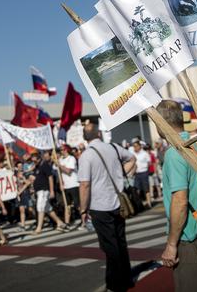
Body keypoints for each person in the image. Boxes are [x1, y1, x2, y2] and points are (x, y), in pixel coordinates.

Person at [156, 100, 197, 291]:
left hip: (189, 235)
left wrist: (171, 244)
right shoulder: (193, 146)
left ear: (160, 124)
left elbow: (180, 201)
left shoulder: (174, 153)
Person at [78, 122, 136, 292]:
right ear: (98, 134)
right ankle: (126, 279)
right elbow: (132, 158)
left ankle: (116, 284)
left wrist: (83, 209)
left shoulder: (86, 155)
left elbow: (84, 185)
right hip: (118, 201)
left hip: (99, 205)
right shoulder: (113, 147)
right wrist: (122, 173)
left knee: (110, 246)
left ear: (84, 137)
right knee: (120, 241)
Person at [30, 152, 67, 233]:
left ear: (39, 158)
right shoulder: (37, 167)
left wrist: (52, 191)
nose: (33, 162)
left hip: (44, 190)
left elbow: (50, 177)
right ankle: (60, 223)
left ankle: (39, 228)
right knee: (48, 209)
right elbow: (34, 178)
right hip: (38, 191)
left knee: (40, 208)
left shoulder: (45, 165)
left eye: (35, 160)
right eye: (32, 160)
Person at [57, 145, 81, 227]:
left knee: (78, 205)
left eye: (63, 150)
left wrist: (59, 165)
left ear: (67, 150)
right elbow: (59, 173)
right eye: (60, 150)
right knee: (67, 205)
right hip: (66, 186)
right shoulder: (60, 160)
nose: (61, 151)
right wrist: (61, 183)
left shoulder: (71, 158)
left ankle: (85, 220)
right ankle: (67, 223)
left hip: (74, 184)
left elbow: (68, 171)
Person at [130, 140, 152, 209]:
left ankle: (149, 203)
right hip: (137, 173)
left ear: (139, 146)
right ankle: (140, 204)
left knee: (146, 189)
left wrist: (146, 169)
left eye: (136, 146)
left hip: (144, 172)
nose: (135, 148)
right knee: (137, 189)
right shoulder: (133, 154)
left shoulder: (145, 153)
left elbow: (149, 163)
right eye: (134, 146)